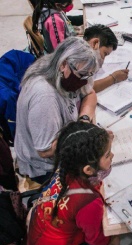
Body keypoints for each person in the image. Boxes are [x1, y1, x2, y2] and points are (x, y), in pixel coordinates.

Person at [15, 37, 98, 184]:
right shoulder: (45, 96)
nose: (84, 81)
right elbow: (45, 150)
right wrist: (84, 134)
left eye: (88, 75)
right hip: (44, 167)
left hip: (63, 141)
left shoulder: (65, 69)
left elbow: (90, 94)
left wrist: (84, 119)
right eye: (82, 75)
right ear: (63, 64)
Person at [27, 121, 120, 245]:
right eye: (107, 154)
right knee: (112, 241)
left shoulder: (67, 167)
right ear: (88, 170)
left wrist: (104, 143)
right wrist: (111, 241)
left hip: (38, 242)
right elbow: (95, 239)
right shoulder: (88, 202)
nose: (112, 156)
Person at [83, 24, 129, 93]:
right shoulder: (76, 63)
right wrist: (113, 78)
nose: (103, 60)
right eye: (104, 53)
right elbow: (85, 89)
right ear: (95, 43)